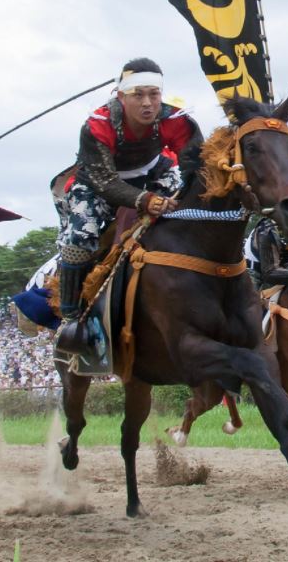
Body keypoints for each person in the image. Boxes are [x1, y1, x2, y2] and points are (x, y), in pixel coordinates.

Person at [54, 57, 202, 354]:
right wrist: (145, 201)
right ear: (121, 96)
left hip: (154, 174)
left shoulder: (177, 120)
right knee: (81, 238)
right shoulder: (97, 125)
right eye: (138, 95)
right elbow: (105, 181)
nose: (148, 103)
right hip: (97, 183)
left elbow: (194, 164)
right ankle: (70, 320)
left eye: (154, 94)